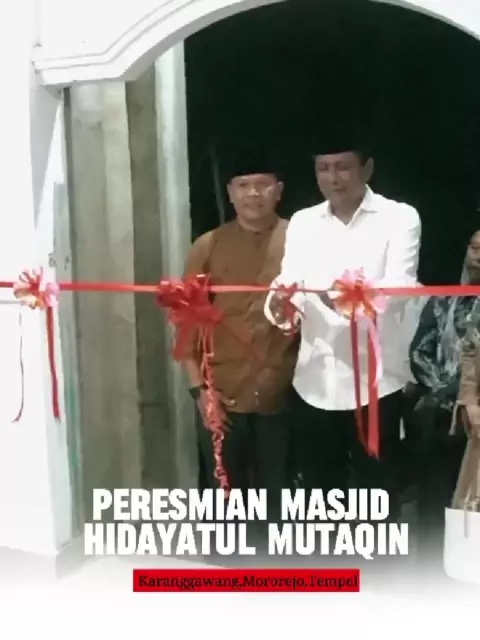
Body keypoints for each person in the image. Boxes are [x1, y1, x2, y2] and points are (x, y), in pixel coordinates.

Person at [264, 134, 421, 519]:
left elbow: (401, 288)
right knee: (318, 498)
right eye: (323, 168)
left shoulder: (400, 217)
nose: (333, 178)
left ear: (366, 168)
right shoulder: (303, 222)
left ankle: (377, 559)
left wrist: (346, 299)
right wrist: (281, 304)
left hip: (377, 380)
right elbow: (290, 281)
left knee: (377, 498)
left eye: (343, 167)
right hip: (316, 379)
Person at [179, 149, 299, 520]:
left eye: (263, 184)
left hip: (286, 395)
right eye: (243, 186)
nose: (253, 193)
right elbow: (185, 326)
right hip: (222, 396)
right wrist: (200, 392)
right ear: (230, 193)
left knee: (281, 501)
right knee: (225, 503)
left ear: (279, 190)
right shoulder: (207, 246)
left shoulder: (301, 239)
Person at [408, 229, 480, 548]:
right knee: (434, 496)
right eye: (474, 248)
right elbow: (419, 351)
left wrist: (465, 395)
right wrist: (443, 392)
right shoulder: (444, 299)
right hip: (442, 413)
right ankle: (431, 562)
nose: (478, 255)